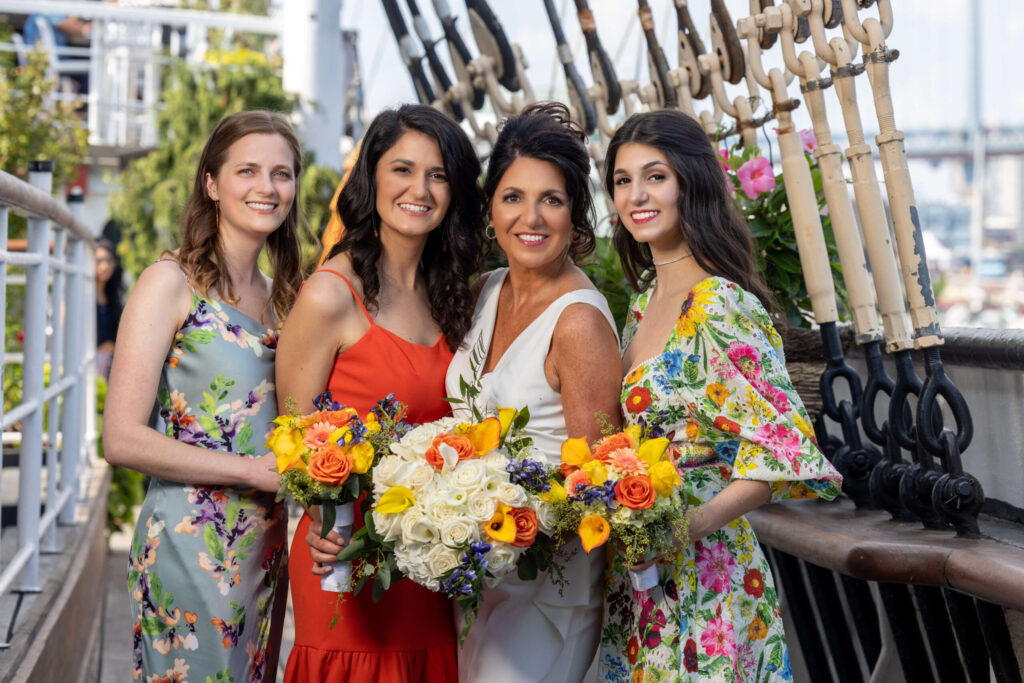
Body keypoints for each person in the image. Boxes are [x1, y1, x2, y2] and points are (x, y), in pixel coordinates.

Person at [596, 109, 843, 681]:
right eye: (622, 180)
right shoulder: (641, 306)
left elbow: (781, 449)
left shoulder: (718, 305)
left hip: (708, 579)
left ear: (691, 181)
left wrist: (686, 527)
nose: (637, 195)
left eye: (655, 176)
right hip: (641, 580)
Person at [276, 104, 483, 682]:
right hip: (345, 554)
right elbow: (293, 439)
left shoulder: (456, 295)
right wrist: (323, 518)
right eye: (403, 170)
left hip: (434, 557)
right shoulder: (330, 295)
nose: (419, 189)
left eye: (438, 175)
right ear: (373, 178)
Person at [103, 110, 304, 682]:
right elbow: (120, 438)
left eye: (282, 174)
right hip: (191, 544)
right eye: (247, 170)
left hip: (265, 545)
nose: (267, 187)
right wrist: (252, 472)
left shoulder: (288, 299)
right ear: (212, 184)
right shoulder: (169, 283)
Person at [444, 102, 623, 683]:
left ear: (576, 216)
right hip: (476, 577)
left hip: (546, 596)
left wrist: (503, 516)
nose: (532, 217)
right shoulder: (483, 291)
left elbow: (596, 487)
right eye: (514, 196)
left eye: (552, 199)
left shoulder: (578, 324)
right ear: (491, 209)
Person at [95, 237, 124, 379]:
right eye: (99, 261)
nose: (105, 266)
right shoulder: (81, 298)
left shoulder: (113, 297)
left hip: (112, 367)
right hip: (90, 367)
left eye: (109, 260)